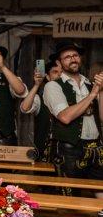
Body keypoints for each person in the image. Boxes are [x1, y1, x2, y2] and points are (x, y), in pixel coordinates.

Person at [44, 40, 103, 197]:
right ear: (59, 62)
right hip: (68, 150)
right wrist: (92, 95)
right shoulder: (53, 86)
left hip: (96, 148)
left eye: (75, 55)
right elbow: (65, 117)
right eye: (67, 57)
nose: (73, 59)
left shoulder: (91, 84)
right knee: (70, 198)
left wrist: (101, 91)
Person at [20, 59, 61, 161]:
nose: (59, 75)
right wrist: (37, 85)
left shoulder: (74, 96)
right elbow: (25, 108)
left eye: (62, 72)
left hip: (67, 152)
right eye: (55, 72)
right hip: (43, 152)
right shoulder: (40, 99)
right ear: (47, 77)